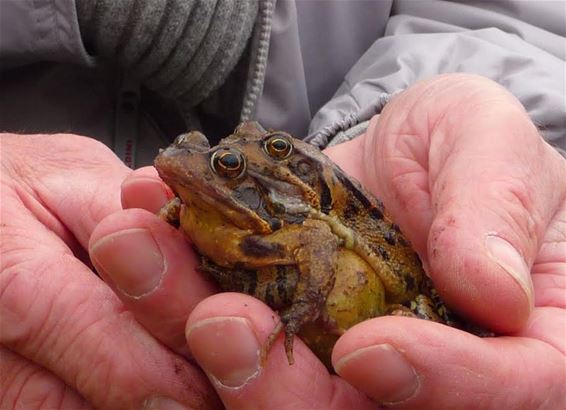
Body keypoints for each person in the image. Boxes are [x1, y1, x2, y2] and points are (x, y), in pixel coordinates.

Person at [1, 1, 564, 409]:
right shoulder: (225, 209)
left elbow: (512, 20)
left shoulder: (308, 222)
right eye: (225, 158)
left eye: (259, 152)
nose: (185, 164)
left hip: (388, 274)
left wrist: (516, 135)